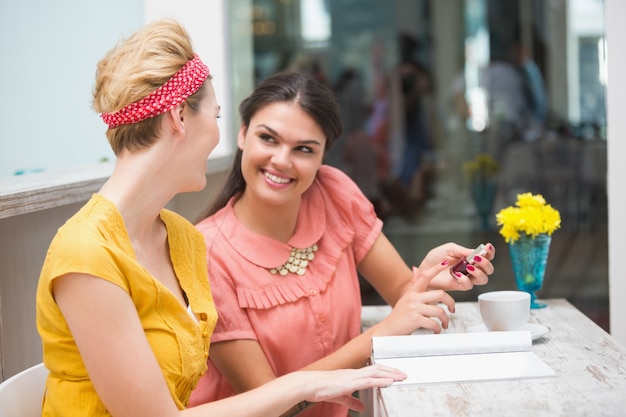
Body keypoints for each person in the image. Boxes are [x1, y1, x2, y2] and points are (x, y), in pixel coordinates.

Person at [34, 19, 407, 417]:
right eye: (214, 117)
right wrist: (304, 383)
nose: (217, 136)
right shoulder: (87, 256)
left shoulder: (179, 238)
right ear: (179, 117)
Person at [189, 71, 496, 416]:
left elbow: (400, 290)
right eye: (268, 139)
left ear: (323, 157)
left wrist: (427, 278)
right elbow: (269, 404)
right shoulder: (206, 252)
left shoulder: (334, 193)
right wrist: (384, 332)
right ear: (243, 134)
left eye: (304, 149)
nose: (282, 160)